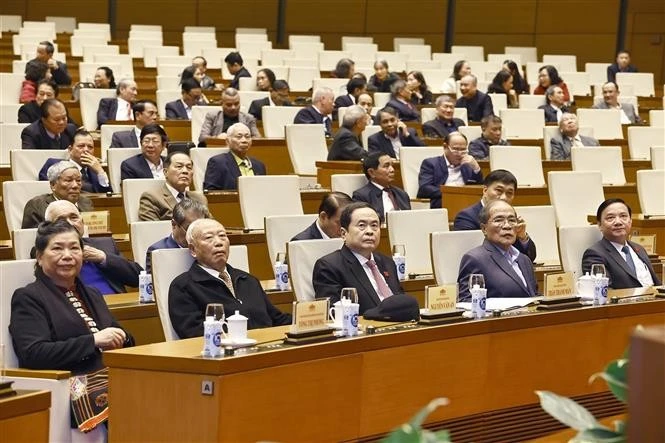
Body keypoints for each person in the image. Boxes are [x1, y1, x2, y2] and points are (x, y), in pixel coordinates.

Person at [9, 220, 134, 431]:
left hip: (109, 375)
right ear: (39, 257)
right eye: (57, 248)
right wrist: (93, 341)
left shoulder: (92, 294)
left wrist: (123, 337)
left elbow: (120, 335)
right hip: (68, 384)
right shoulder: (29, 297)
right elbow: (33, 353)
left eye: (74, 248)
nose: (67, 255)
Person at [169, 218, 292, 338]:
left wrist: (304, 319)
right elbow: (194, 333)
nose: (218, 242)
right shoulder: (183, 287)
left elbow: (276, 319)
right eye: (208, 238)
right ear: (193, 250)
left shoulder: (248, 280)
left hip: (268, 349)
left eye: (222, 236)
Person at [312, 202, 405, 314]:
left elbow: (401, 301)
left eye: (374, 225)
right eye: (362, 225)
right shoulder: (329, 266)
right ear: (343, 233)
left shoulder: (387, 262)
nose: (370, 232)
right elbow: (333, 313)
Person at [43, 200, 142, 293]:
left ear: (82, 221)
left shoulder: (105, 243)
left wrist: (103, 257)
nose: (70, 223)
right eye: (61, 220)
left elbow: (138, 278)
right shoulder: (46, 251)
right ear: (49, 227)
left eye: (74, 217)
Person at [457, 199, 539, 301]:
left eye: (512, 220)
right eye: (499, 220)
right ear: (484, 229)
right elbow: (467, 302)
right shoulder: (475, 259)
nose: (507, 226)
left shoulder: (524, 259)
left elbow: (534, 295)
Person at [453, 169, 537, 262]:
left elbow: (529, 258)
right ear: (485, 190)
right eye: (499, 191)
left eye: (509, 193)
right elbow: (471, 254)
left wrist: (522, 237)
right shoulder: (466, 217)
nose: (504, 197)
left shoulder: (512, 218)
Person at [582, 199, 661, 289]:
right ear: (599, 225)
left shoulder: (639, 248)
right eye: (610, 218)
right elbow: (605, 293)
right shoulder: (594, 255)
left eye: (623, 216)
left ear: (630, 221)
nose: (618, 222)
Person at [417, 132, 483, 208]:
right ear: (445, 147)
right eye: (456, 149)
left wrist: (476, 168)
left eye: (463, 150)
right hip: (443, 202)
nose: (460, 153)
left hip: (467, 203)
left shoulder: (467, 164)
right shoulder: (431, 163)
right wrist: (451, 192)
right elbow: (424, 188)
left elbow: (478, 186)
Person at [22, 160, 94, 228]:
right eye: (68, 180)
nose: (75, 185)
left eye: (78, 180)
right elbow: (31, 236)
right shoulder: (36, 205)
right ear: (53, 185)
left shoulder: (86, 202)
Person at [145, 199, 210, 274]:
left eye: (200, 228)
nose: (196, 235)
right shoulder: (158, 251)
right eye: (190, 229)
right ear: (174, 224)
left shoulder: (207, 246)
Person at [138, 152, 207, 221]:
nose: (185, 171)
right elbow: (151, 228)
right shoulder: (151, 197)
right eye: (179, 167)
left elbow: (212, 225)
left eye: (189, 167)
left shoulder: (199, 198)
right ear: (165, 172)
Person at [39, 128, 112, 193]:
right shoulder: (54, 164)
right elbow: (46, 189)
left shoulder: (96, 171)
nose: (86, 150)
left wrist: (100, 171)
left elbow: (108, 197)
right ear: (70, 149)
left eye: (90, 147)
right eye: (81, 146)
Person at [203, 122, 266, 190]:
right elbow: (210, 192)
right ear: (227, 141)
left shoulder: (259, 165)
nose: (244, 140)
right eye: (239, 137)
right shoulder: (218, 163)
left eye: (247, 137)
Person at [352, 152, 411, 223]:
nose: (392, 170)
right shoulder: (361, 196)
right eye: (386, 166)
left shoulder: (402, 194)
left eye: (392, 165)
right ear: (371, 172)